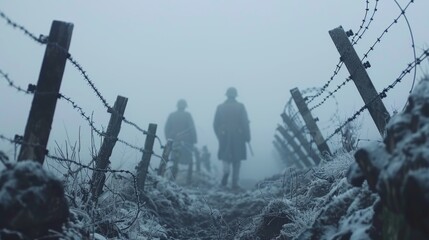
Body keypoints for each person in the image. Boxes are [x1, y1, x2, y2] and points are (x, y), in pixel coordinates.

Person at [213, 87, 251, 190]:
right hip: (238, 136)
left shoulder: (220, 107)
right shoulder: (241, 106)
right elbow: (245, 123)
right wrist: (247, 137)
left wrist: (219, 135)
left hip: (224, 135)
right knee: (237, 160)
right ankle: (235, 183)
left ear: (227, 95)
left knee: (225, 156)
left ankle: (226, 172)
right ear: (235, 95)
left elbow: (215, 124)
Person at [164, 99, 197, 184]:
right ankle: (188, 180)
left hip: (175, 141)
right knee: (189, 160)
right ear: (185, 106)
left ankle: (172, 179)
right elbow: (192, 128)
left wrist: (169, 139)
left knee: (175, 160)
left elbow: (166, 128)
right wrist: (194, 141)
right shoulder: (187, 115)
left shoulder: (172, 115)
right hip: (187, 141)